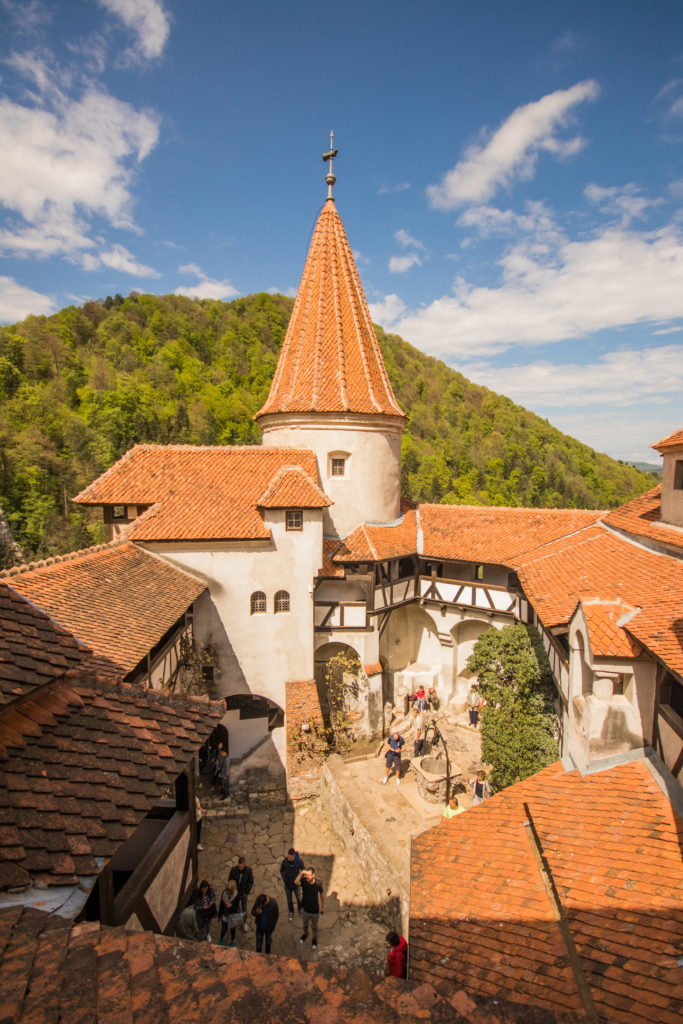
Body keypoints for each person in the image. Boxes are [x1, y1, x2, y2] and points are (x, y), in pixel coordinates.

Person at [295, 866, 324, 951]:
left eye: (309, 875)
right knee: (305, 924)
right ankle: (305, 934)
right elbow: (296, 881)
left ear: (313, 875)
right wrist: (301, 873)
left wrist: (322, 906)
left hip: (315, 911)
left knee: (314, 927)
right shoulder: (304, 881)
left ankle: (314, 939)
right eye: (306, 875)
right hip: (305, 909)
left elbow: (321, 895)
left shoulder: (318, 884)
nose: (307, 877)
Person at [228, 855, 254, 932]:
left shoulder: (248, 870)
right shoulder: (233, 870)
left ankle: (244, 923)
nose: (240, 868)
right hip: (235, 893)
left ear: (245, 864)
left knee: (244, 908)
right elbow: (230, 880)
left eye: (242, 867)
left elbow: (251, 881)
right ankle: (235, 921)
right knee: (234, 907)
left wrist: (246, 892)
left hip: (243, 893)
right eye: (239, 866)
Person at [280, 847, 304, 920]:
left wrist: (300, 881)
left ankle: (300, 909)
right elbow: (281, 871)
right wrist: (285, 880)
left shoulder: (299, 861)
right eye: (288, 856)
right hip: (288, 885)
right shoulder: (285, 862)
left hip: (296, 885)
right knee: (289, 900)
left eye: (290, 857)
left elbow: (303, 870)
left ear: (293, 856)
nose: (288, 858)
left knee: (299, 898)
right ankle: (291, 911)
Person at [219, 879, 242, 946]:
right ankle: (221, 938)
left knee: (232, 930)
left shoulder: (236, 896)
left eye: (229, 890)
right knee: (223, 929)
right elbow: (221, 904)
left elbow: (236, 906)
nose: (228, 891)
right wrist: (220, 913)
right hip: (225, 914)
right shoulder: (224, 894)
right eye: (227, 890)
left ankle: (232, 940)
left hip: (232, 915)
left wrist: (231, 906)